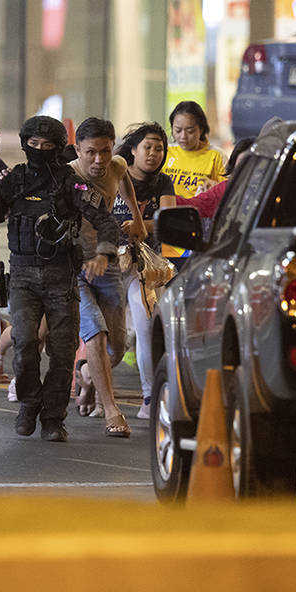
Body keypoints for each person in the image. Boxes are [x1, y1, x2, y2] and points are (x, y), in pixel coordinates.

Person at [0, 116, 120, 442]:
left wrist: (102, 255)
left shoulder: (72, 183)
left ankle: (53, 419)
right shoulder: (14, 179)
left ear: (59, 147)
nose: (39, 151)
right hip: (24, 276)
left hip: (61, 277)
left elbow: (106, 222)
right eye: (33, 145)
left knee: (63, 352)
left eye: (47, 146)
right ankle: (28, 405)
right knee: (24, 343)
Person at [68, 117, 147, 438]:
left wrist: (138, 219)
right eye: (90, 153)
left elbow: (124, 179)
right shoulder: (68, 175)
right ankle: (112, 410)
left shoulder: (115, 166)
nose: (98, 160)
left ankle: (86, 374)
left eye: (104, 151)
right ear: (77, 149)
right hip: (75, 267)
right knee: (96, 335)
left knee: (117, 347)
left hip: (108, 262)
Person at [111, 122, 175, 419]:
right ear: (132, 150)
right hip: (108, 262)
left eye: (159, 148)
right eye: (147, 147)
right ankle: (88, 379)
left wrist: (142, 226)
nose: (153, 154)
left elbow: (169, 220)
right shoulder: (112, 174)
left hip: (143, 266)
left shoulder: (163, 183)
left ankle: (149, 396)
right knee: (109, 336)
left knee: (148, 326)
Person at [161, 101, 227, 269]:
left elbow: (227, 192)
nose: (183, 136)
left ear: (201, 129)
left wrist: (213, 185)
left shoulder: (215, 156)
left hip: (199, 227)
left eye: (190, 131)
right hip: (169, 223)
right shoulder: (165, 153)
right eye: (177, 130)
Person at [176, 136, 255, 218]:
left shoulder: (267, 189)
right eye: (242, 163)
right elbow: (193, 205)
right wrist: (166, 194)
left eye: (253, 163)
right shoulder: (226, 189)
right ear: (233, 166)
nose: (247, 168)